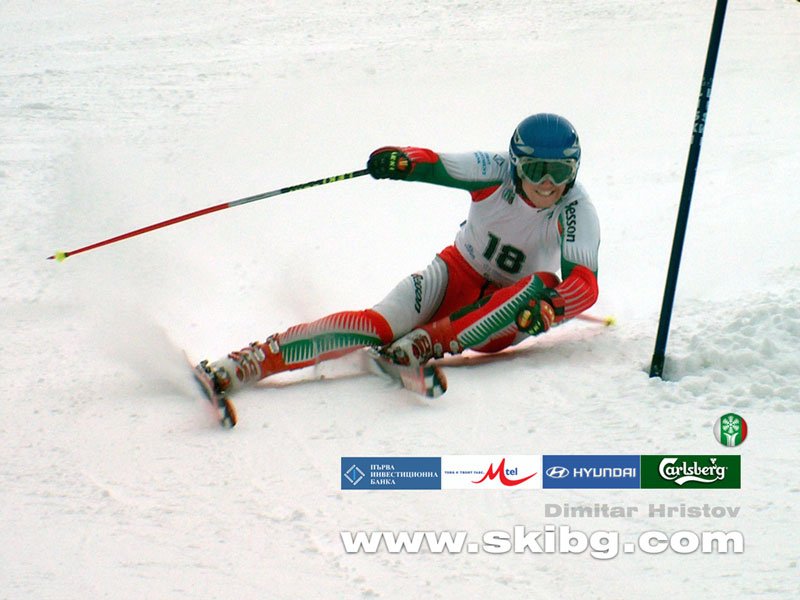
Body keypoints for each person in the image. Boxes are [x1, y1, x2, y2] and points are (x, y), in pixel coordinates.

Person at [199, 113, 600, 395]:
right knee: (377, 325)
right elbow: (437, 165)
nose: (547, 184)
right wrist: (403, 160)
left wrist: (552, 306)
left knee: (541, 283)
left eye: (560, 172)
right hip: (453, 276)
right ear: (515, 165)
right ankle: (249, 362)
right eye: (535, 170)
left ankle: (425, 344)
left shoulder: (576, 210)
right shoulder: (494, 170)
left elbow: (584, 283)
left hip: (504, 317)